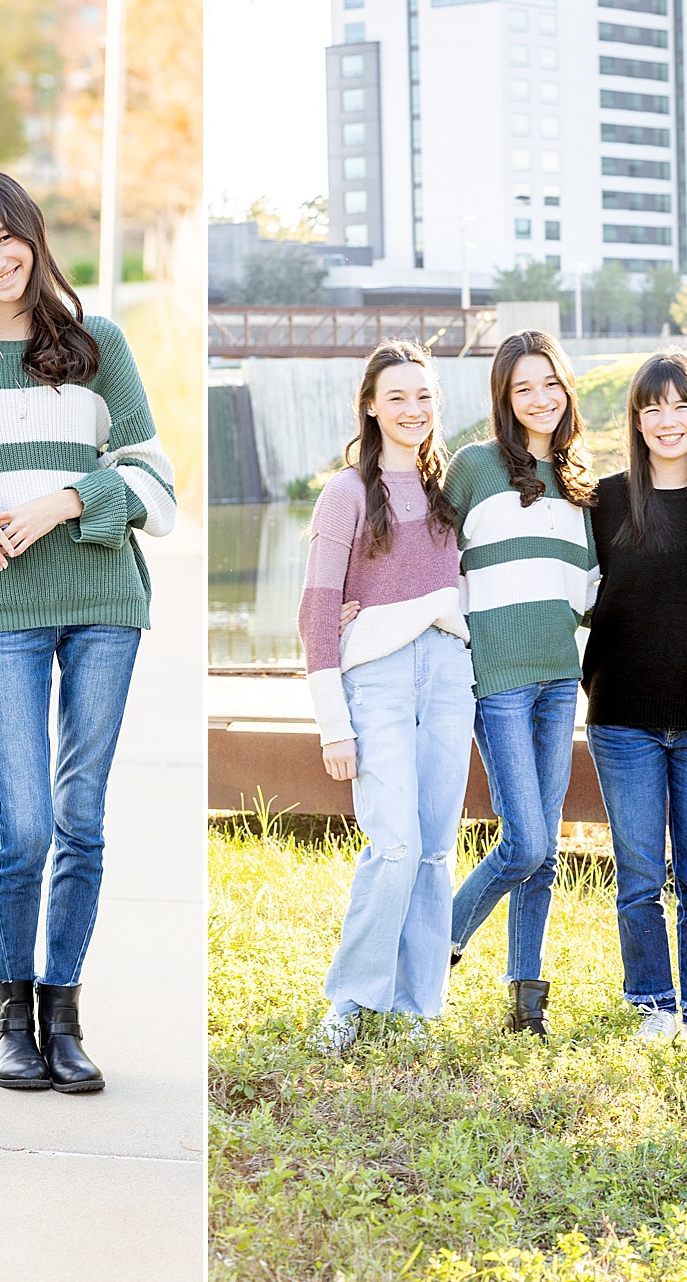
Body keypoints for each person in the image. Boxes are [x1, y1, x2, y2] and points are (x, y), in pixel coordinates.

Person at [0, 168, 176, 1093]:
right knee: (24, 820)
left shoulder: (96, 342)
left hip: (106, 602)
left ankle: (63, 1012)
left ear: (32, 233)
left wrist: (73, 498)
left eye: (5, 238)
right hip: (4, 610)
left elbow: (155, 478)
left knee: (80, 816)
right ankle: (7, 1014)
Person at [299, 340, 472, 1053]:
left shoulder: (447, 491)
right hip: (377, 676)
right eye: (396, 396)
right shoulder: (346, 493)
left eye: (423, 395)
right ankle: (351, 997)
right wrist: (332, 724)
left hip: (449, 670)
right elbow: (316, 610)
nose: (413, 409)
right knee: (394, 842)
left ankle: (420, 1002)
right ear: (370, 405)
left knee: (435, 848)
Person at [584, 351, 687, 1042]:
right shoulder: (606, 499)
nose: (667, 419)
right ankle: (652, 999)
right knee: (641, 873)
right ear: (637, 419)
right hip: (623, 718)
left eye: (681, 404)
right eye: (653, 407)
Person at [444, 331, 599, 1036]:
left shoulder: (577, 483)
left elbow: (590, 592)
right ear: (505, 400)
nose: (540, 398)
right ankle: (435, 942)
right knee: (526, 840)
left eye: (550, 383)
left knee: (547, 849)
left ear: (566, 389)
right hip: (498, 679)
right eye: (523, 388)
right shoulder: (474, 467)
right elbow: (434, 562)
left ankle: (525, 1005)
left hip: (559, 679)